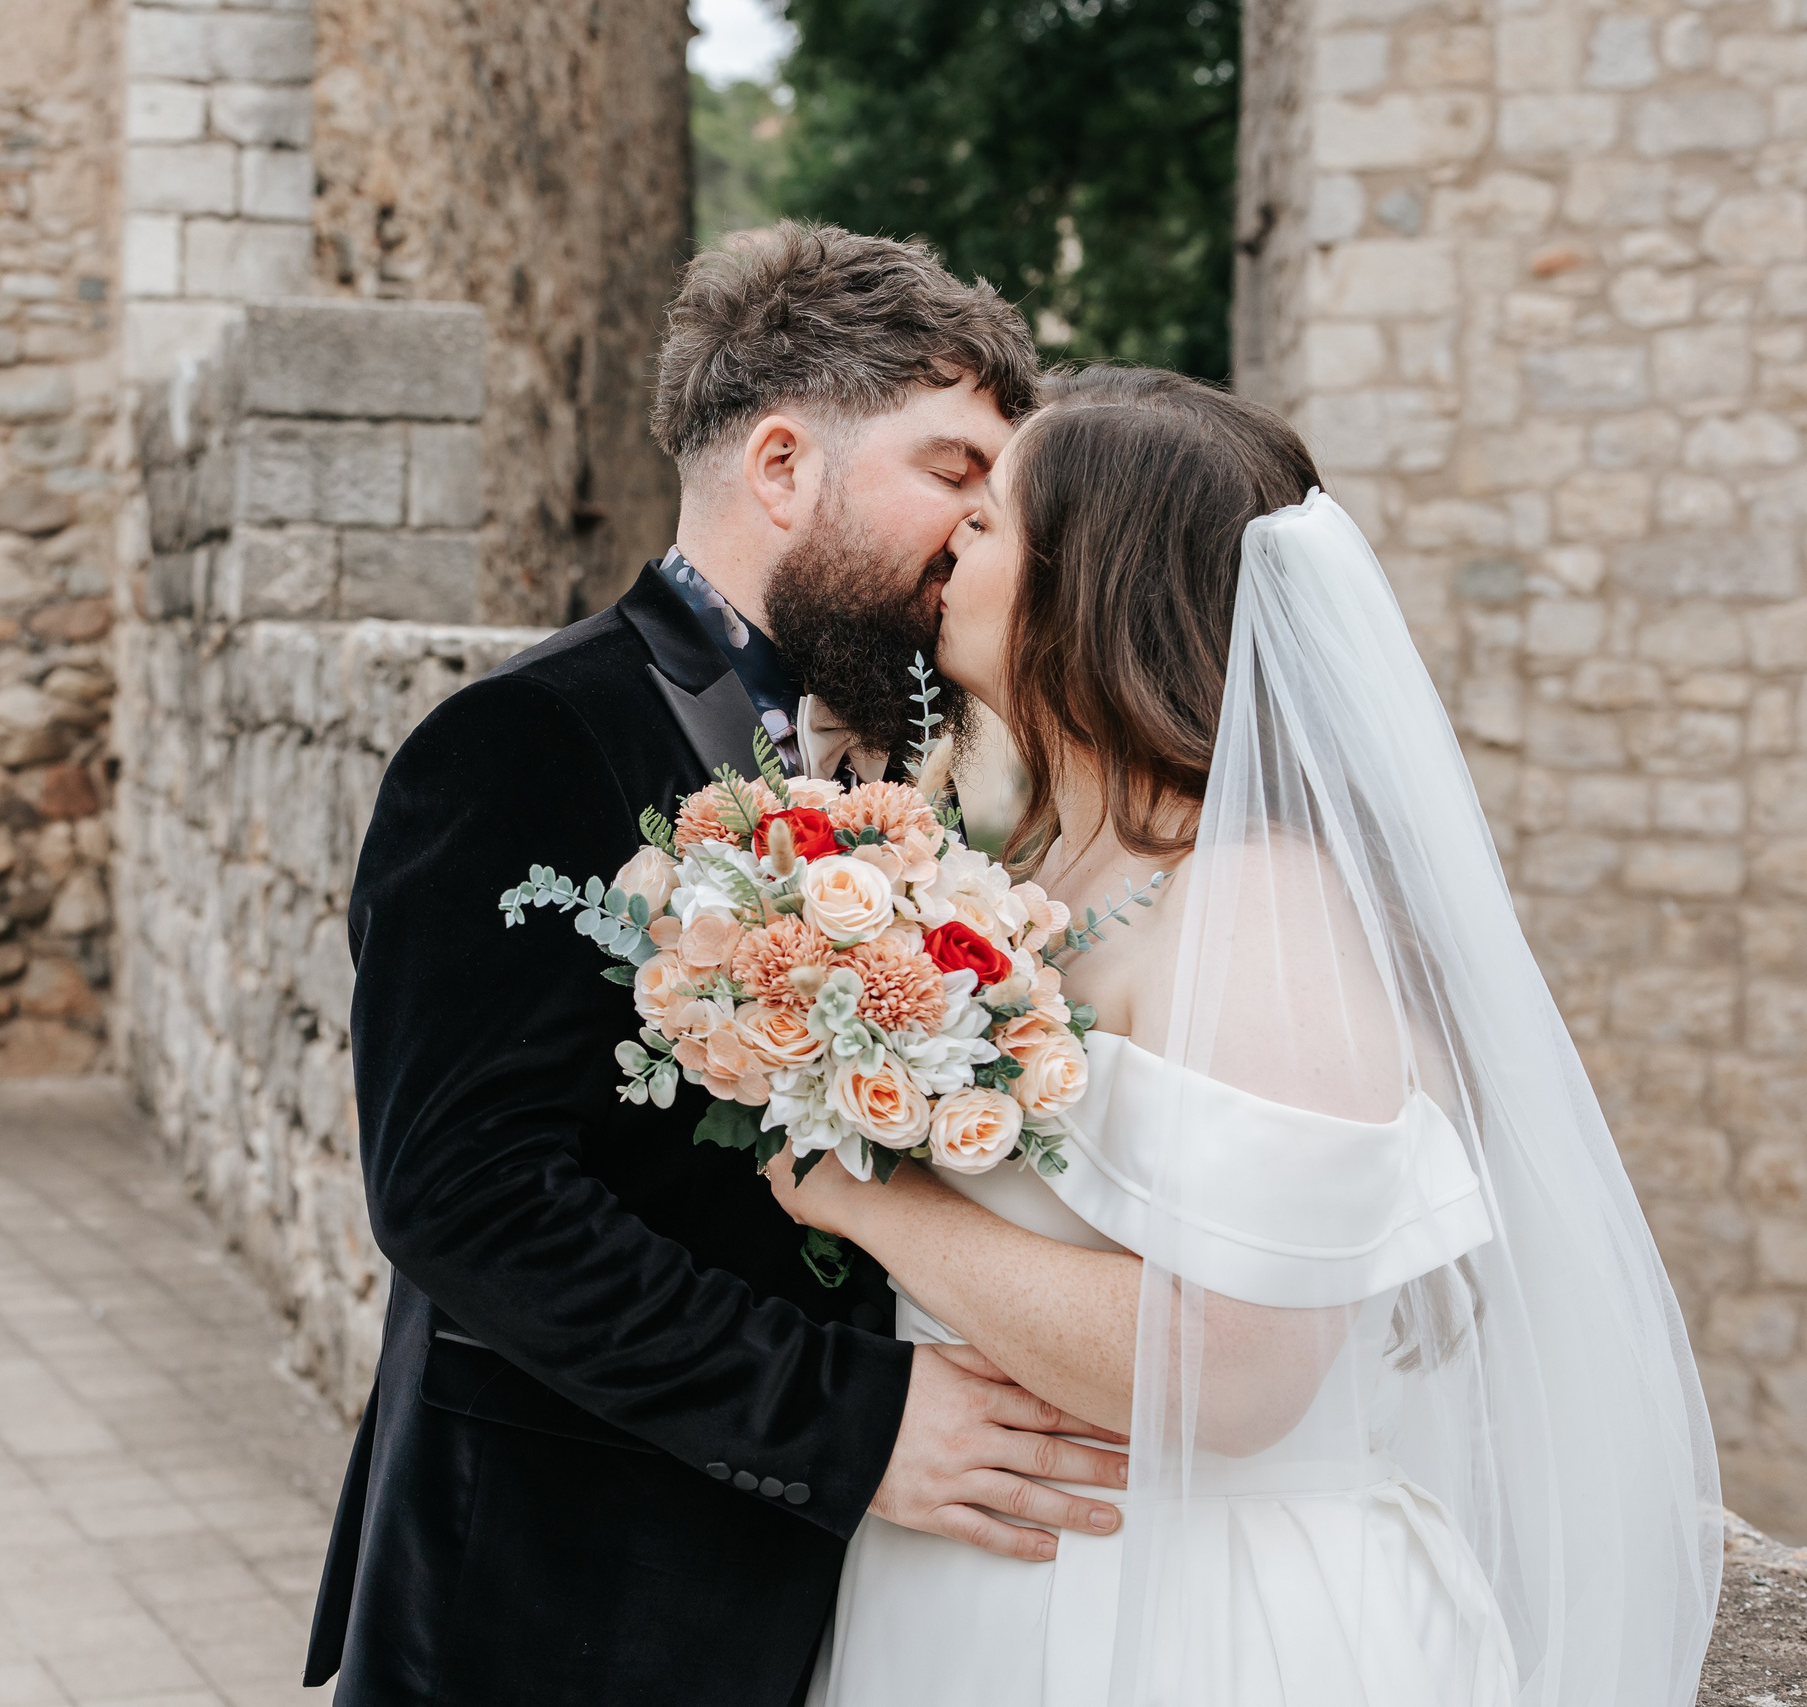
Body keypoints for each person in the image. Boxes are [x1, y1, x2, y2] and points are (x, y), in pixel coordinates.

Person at [769, 370, 1722, 1705]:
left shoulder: (1265, 905)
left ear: (1089, 587)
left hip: (1190, 1622)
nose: (952, 542)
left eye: (992, 522)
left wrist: (866, 1202)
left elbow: (1244, 1368)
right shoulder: (1045, 872)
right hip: (978, 1599)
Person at [303, 225, 1132, 1707]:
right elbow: (460, 1198)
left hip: (827, 1606)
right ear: (781, 465)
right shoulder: (520, 742)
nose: (977, 531)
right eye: (953, 472)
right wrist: (849, 1422)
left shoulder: (904, 775)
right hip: (559, 1598)